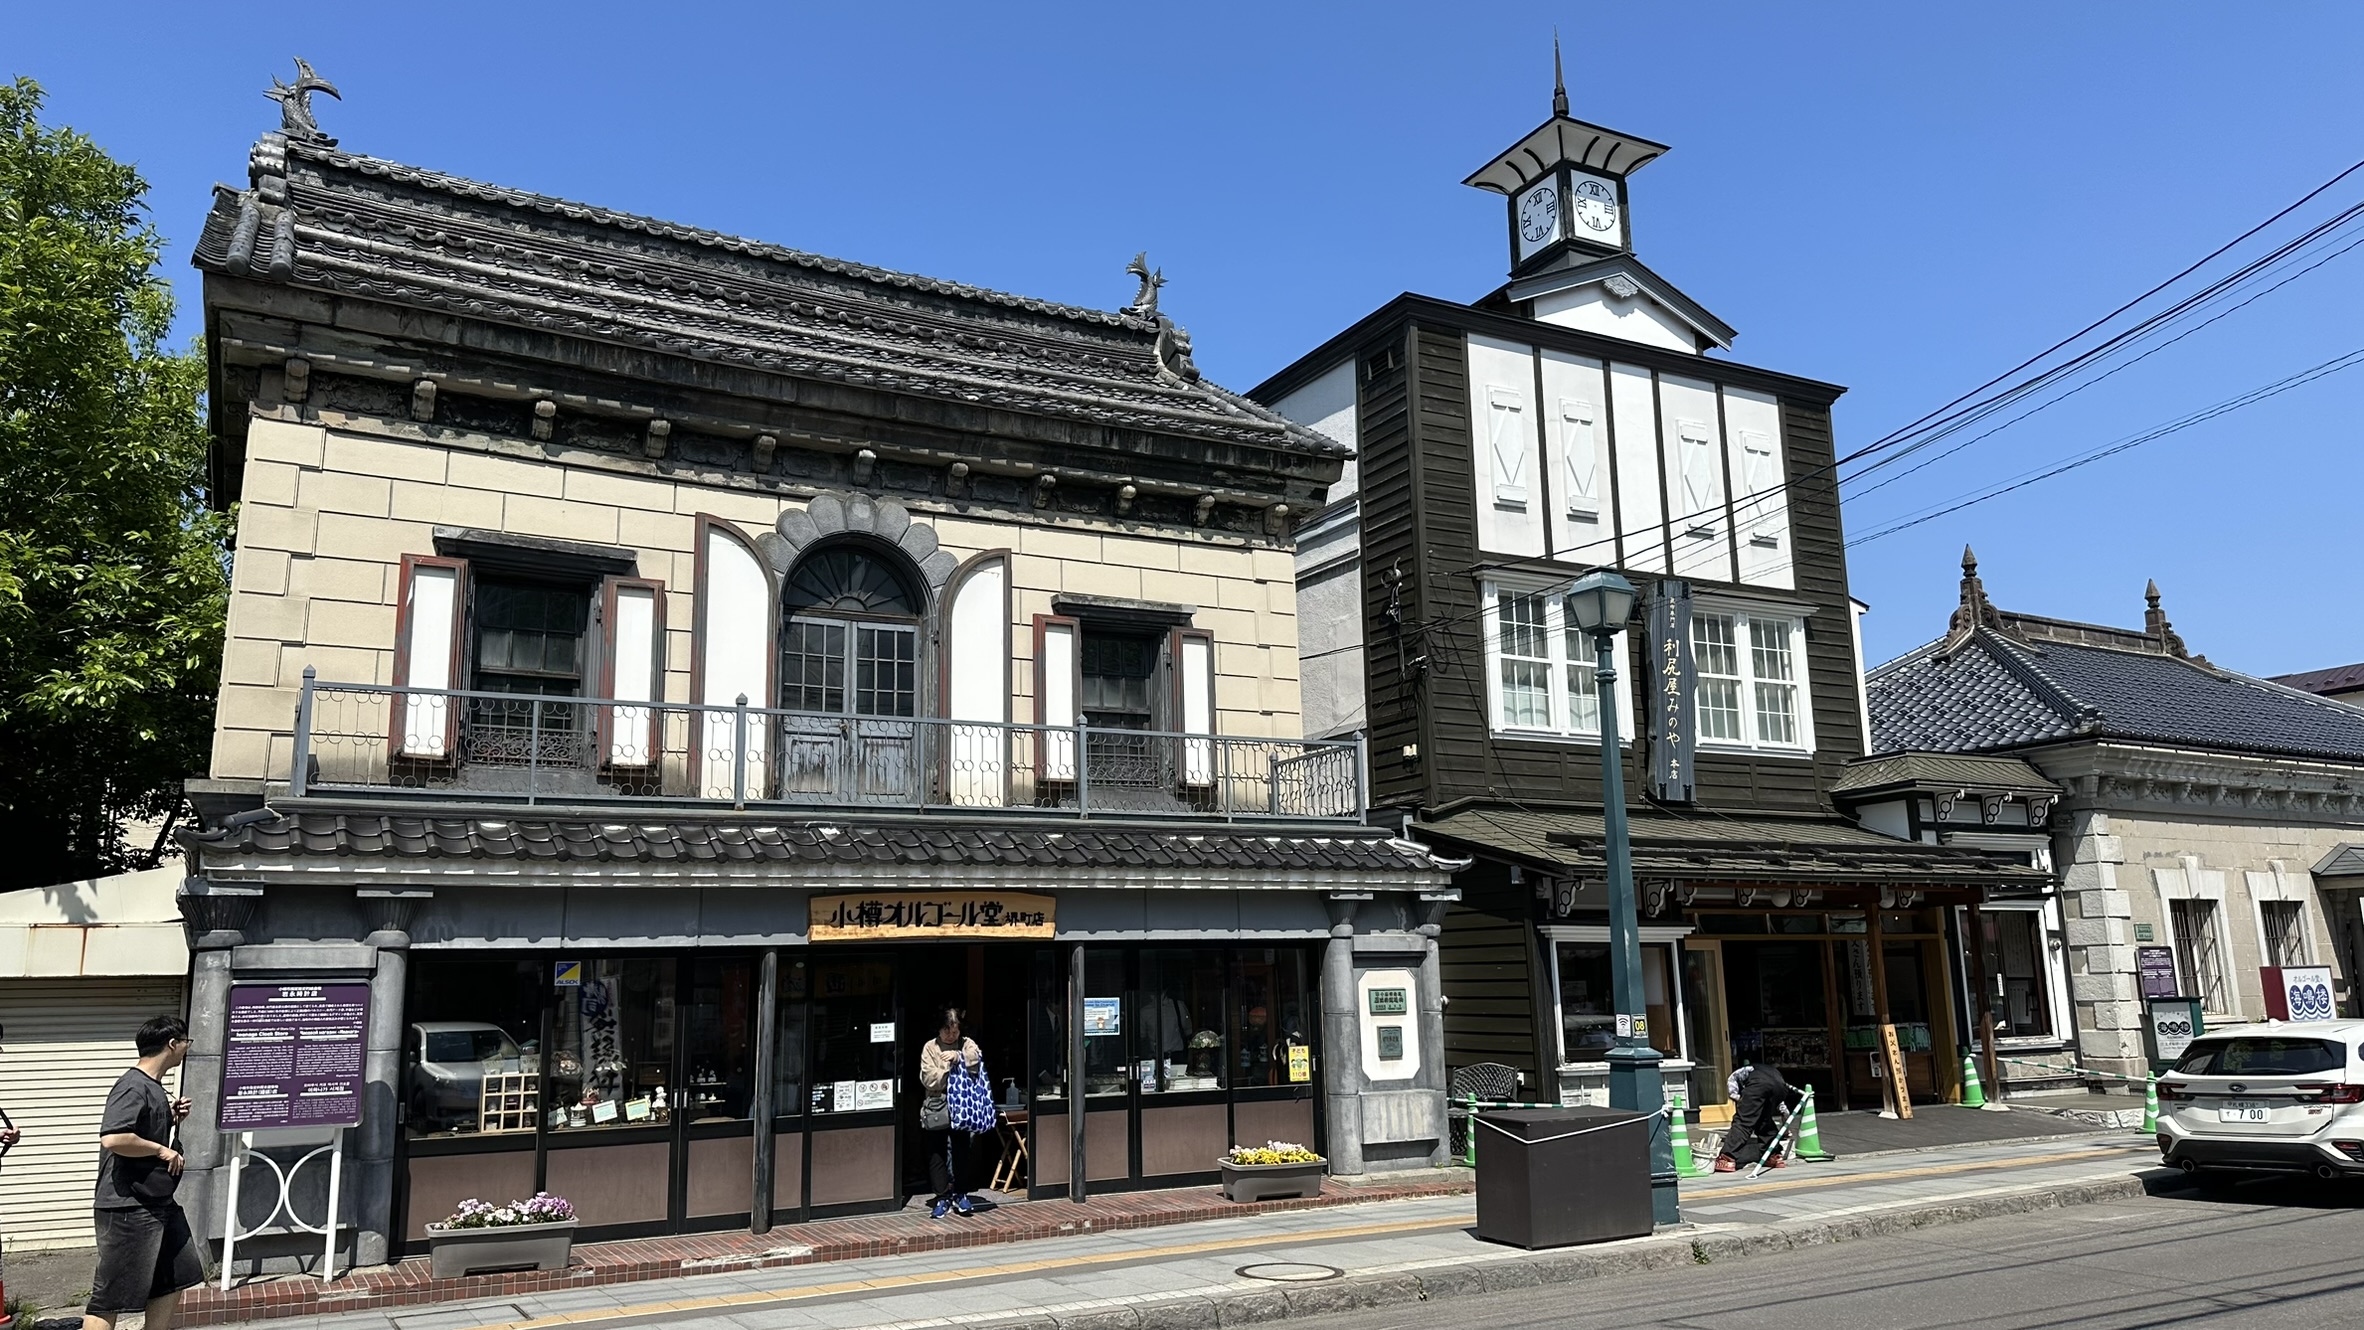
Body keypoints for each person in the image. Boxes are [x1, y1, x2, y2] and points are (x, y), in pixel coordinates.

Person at [85, 1014, 198, 1330]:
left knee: (176, 1274)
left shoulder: (153, 1087)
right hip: (127, 1206)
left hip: (156, 1201)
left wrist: (170, 1117)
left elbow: (138, 1130)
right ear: (172, 1044)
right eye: (186, 1042)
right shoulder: (132, 1086)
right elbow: (114, 1137)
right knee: (111, 1296)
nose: (187, 1047)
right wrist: (162, 1150)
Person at [917, 1006, 982, 1219]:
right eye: (947, 1030)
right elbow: (929, 1078)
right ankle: (942, 1196)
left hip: (962, 1105)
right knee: (936, 1152)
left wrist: (958, 1056)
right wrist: (948, 1067)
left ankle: (961, 1193)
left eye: (955, 1031)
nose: (951, 1035)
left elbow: (977, 1059)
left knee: (962, 1149)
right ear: (939, 1029)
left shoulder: (966, 1043)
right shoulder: (930, 1047)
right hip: (937, 1105)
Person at [1714, 1060, 1804, 1173]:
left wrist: (1743, 1101)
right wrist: (1785, 1129)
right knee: (1765, 1120)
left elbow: (1732, 1092)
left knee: (1743, 1121)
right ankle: (1773, 1156)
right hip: (1781, 1087)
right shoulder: (1771, 1074)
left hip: (1758, 1086)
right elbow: (1784, 1111)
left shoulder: (1738, 1074)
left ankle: (1727, 1158)